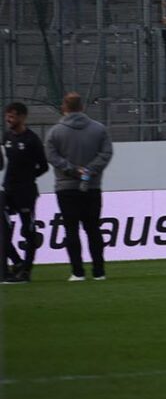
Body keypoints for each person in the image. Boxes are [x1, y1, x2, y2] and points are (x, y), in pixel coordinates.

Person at [43, 93, 113, 281]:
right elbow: (106, 152)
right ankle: (99, 271)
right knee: (93, 228)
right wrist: (89, 170)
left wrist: (72, 170)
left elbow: (52, 156)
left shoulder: (55, 132)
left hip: (66, 187)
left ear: (63, 108)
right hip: (92, 186)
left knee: (71, 229)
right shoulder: (99, 129)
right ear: (82, 107)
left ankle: (77, 271)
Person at [4, 103, 49, 283]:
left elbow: (43, 166)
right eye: (7, 116)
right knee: (3, 230)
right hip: (8, 190)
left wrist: (28, 177)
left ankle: (26, 270)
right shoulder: (6, 136)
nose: (9, 119)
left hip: (26, 192)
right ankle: (16, 261)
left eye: (12, 116)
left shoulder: (32, 139)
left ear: (22, 117)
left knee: (27, 230)